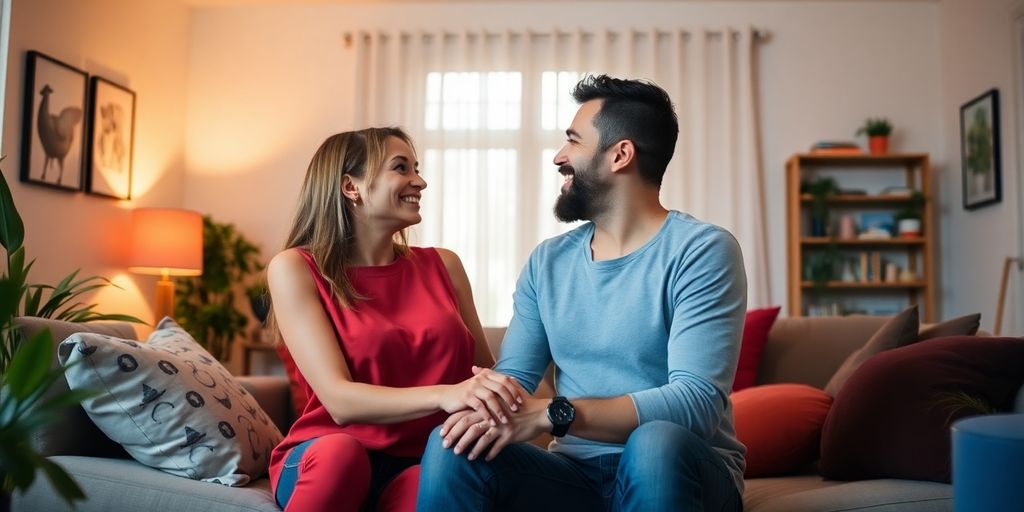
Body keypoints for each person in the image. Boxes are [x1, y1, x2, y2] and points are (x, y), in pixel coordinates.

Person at [416, 75, 747, 511]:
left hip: (678, 468)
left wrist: (553, 413)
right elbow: (517, 378)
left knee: (654, 443)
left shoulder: (702, 250)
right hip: (576, 478)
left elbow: (695, 402)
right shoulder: (547, 262)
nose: (558, 157)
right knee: (452, 444)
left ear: (620, 155)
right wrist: (487, 401)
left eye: (573, 141)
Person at [267, 127, 526, 512]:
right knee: (342, 456)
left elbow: (482, 371)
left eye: (416, 168)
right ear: (350, 187)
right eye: (401, 168)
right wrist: (445, 393)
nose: (419, 181)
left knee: (444, 476)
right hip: (325, 456)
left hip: (424, 458)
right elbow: (339, 401)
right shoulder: (295, 268)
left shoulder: (444, 264)